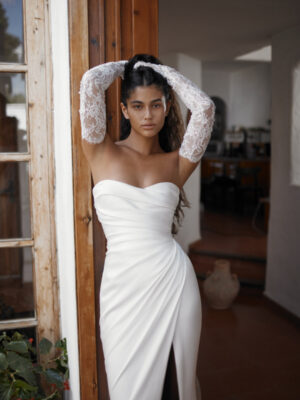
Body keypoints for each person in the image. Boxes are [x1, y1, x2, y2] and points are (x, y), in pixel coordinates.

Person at [79, 53, 215, 400]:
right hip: (122, 289)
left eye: (156, 104)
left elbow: (204, 108)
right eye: (137, 106)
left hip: (172, 281)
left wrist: (167, 74)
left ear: (168, 106)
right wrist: (126, 66)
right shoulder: (100, 150)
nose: (148, 115)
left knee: (177, 385)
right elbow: (90, 84)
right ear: (124, 110)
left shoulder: (177, 162)